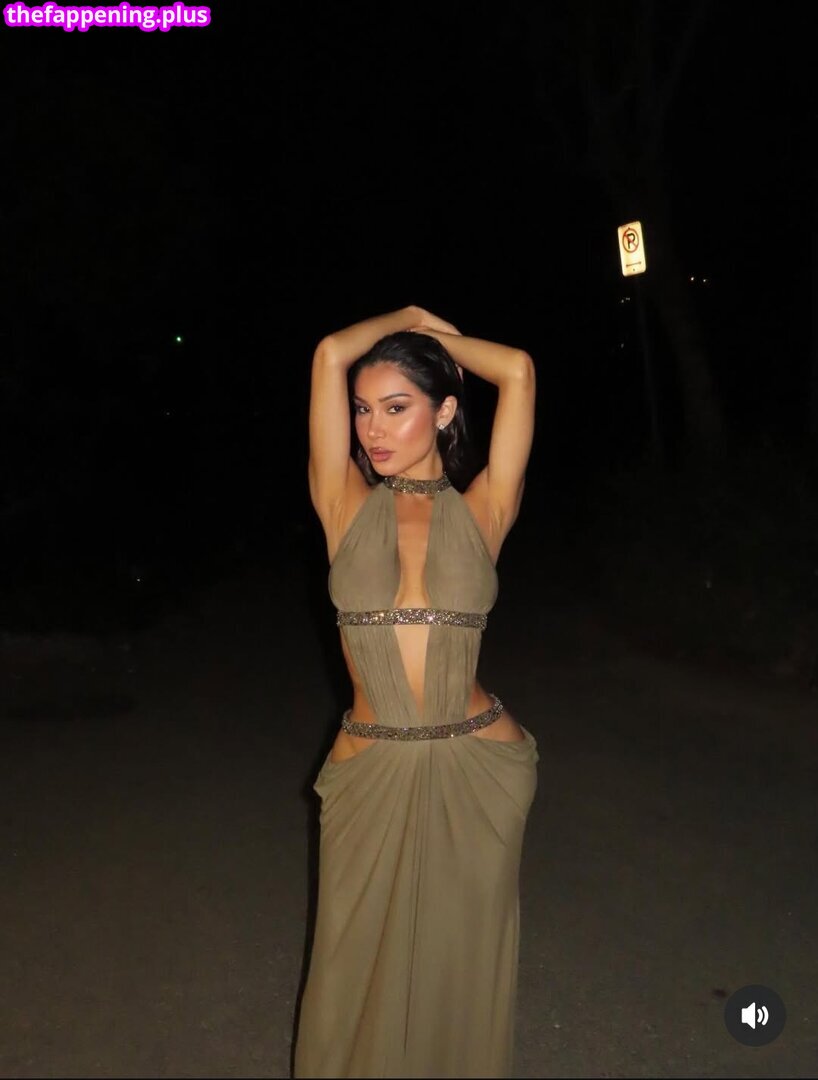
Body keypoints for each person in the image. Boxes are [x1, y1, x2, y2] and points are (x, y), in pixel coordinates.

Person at [294, 304, 539, 1079]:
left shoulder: (485, 509)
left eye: (397, 407)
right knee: (350, 974)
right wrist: (402, 317)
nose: (373, 428)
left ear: (446, 410)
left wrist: (435, 340)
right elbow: (329, 353)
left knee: (457, 971)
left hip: (477, 770)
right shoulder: (342, 503)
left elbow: (519, 370)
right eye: (364, 410)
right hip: (372, 770)